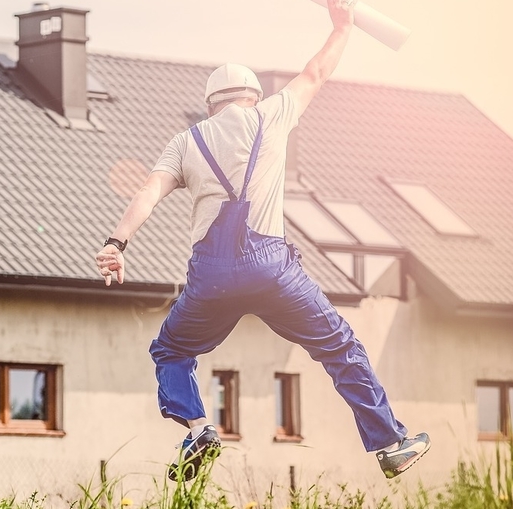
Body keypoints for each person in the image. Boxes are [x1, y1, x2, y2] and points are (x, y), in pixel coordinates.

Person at [93, 0, 430, 481]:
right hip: (273, 271)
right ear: (252, 95)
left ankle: (198, 429)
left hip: (210, 279)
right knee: (339, 347)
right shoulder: (274, 115)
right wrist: (343, 25)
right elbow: (316, 72)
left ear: (211, 104)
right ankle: (391, 444)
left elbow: (149, 191)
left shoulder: (186, 141)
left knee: (170, 350)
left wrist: (117, 244)